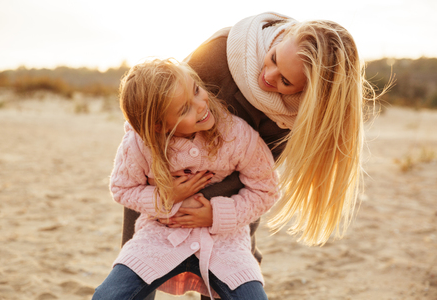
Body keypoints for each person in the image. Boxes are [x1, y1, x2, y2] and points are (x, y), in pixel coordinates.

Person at [122, 11, 378, 300]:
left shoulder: (296, 118)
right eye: (273, 58)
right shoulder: (219, 53)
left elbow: (256, 183)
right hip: (161, 179)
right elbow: (146, 111)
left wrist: (214, 214)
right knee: (136, 271)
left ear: (308, 92)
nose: (267, 76)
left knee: (230, 271)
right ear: (281, 37)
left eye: (285, 82)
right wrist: (165, 188)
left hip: (230, 202)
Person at [92, 58, 278, 300]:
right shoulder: (139, 144)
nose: (201, 105)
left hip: (225, 244)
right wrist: (165, 197)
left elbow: (267, 190)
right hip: (158, 238)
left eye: (197, 91)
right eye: (184, 109)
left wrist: (217, 214)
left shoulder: (237, 135)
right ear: (159, 125)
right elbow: (122, 188)